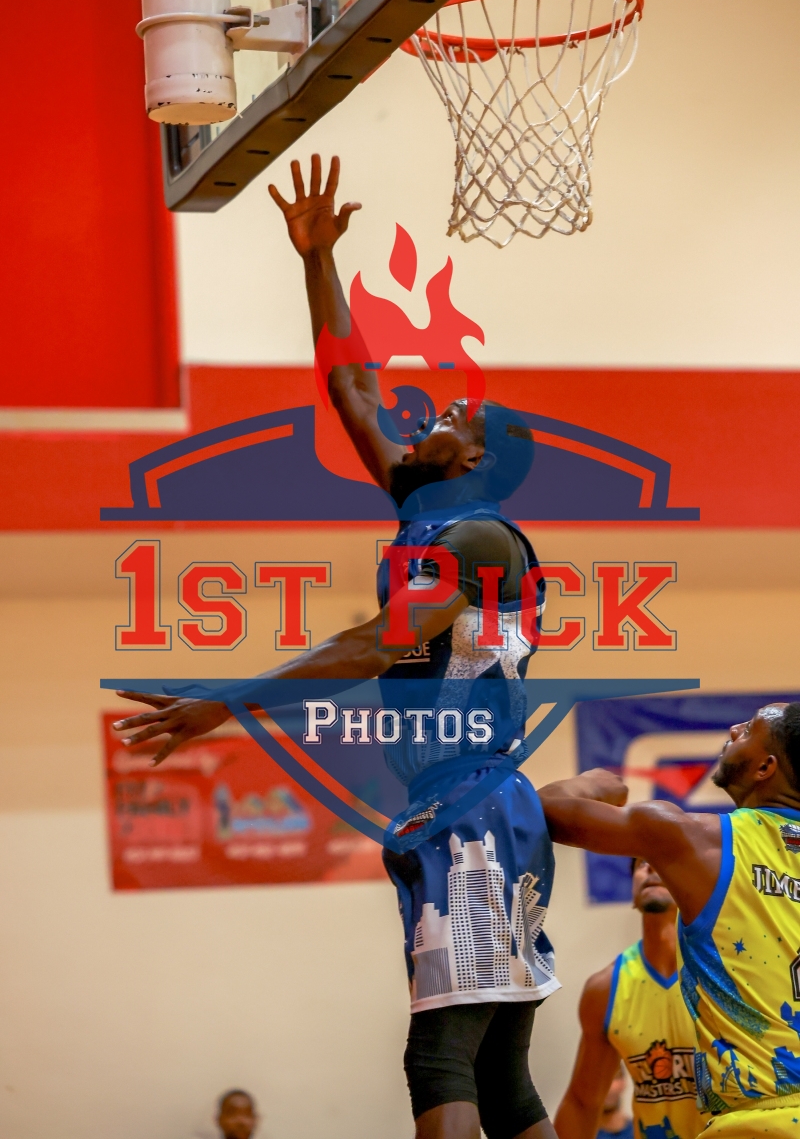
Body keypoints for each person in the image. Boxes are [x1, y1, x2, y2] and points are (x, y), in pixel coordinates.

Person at [112, 155, 557, 1139]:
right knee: (498, 1076)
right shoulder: (423, 514)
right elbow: (352, 388)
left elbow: (371, 646)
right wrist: (317, 259)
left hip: (474, 804)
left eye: (450, 416)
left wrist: (223, 702)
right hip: (461, 803)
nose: (427, 413)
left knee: (440, 1058)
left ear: (474, 458)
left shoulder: (480, 538)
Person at [539, 701, 800, 1139]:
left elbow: (545, 809)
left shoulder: (700, 840)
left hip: (761, 1123)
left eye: (750, 728)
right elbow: (582, 1102)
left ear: (764, 768)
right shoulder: (612, 985)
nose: (734, 727)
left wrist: (591, 783)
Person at [555, 859, 702, 1139]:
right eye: (641, 862)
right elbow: (582, 1103)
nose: (651, 868)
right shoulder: (605, 988)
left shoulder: (724, 972)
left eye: (661, 858)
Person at [596, 1066, 634, 1139]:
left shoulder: (639, 1130)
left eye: (615, 1077)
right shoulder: (580, 1132)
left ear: (623, 1082)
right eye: (598, 1079)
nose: (608, 1087)